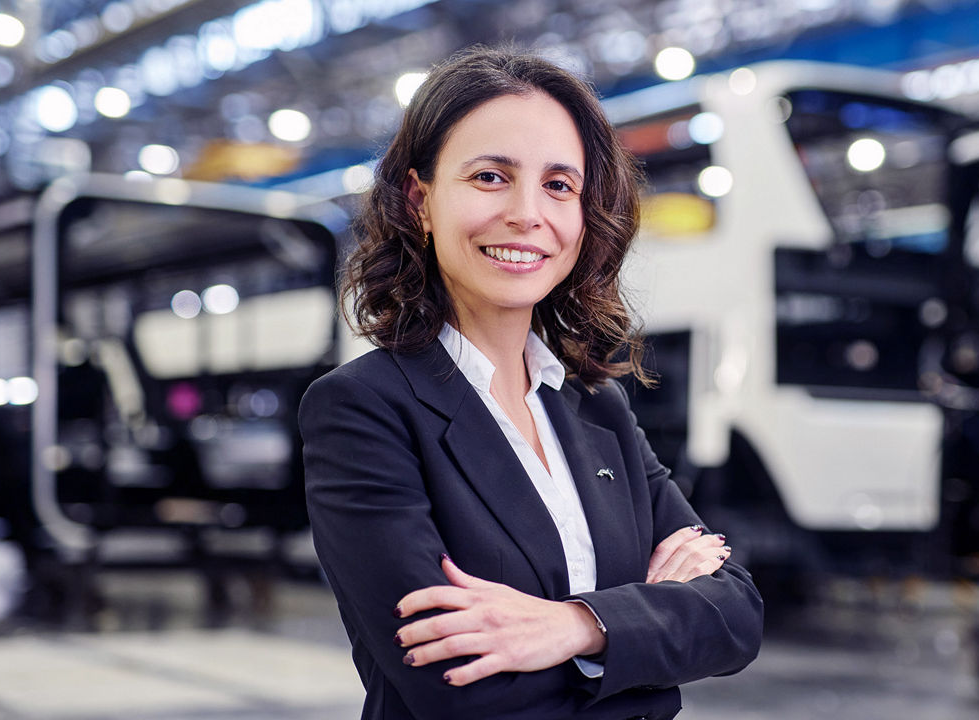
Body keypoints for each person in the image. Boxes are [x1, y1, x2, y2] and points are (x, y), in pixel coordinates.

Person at [299, 46, 763, 720]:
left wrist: (576, 626)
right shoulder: (364, 409)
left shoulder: (596, 408)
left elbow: (737, 614)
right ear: (419, 199)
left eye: (559, 185)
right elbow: (462, 687)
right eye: (490, 177)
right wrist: (650, 653)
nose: (528, 213)